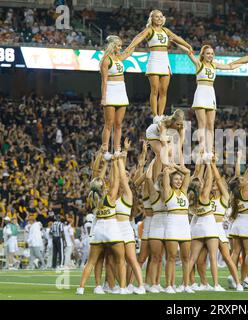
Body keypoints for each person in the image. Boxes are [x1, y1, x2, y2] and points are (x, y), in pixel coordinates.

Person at [179, 44, 241, 160]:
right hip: (201, 93)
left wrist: (245, 60)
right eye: (208, 53)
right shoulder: (199, 64)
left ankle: (209, 151)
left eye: (212, 53)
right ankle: (202, 149)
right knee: (202, 124)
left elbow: (230, 66)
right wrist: (178, 42)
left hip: (210, 94)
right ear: (203, 54)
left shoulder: (214, 65)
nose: (210, 55)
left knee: (211, 125)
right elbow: (189, 52)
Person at [76, 157, 128, 295]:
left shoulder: (92, 197)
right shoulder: (110, 196)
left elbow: (97, 181)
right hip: (111, 228)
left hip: (98, 229)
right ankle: (122, 289)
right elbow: (116, 179)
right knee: (120, 260)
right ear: (103, 186)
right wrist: (116, 162)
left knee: (91, 262)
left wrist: (105, 163)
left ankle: (81, 288)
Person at [128, 9, 193, 118]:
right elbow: (138, 37)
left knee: (163, 90)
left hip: (165, 60)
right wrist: (130, 47)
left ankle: (161, 115)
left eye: (160, 16)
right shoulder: (149, 30)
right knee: (154, 89)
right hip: (154, 59)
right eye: (156, 16)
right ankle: (155, 116)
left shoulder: (166, 30)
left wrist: (188, 45)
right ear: (151, 18)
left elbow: (176, 38)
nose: (159, 18)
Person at [187, 158, 225, 291]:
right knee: (213, 257)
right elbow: (210, 178)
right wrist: (208, 163)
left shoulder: (191, 198)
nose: (203, 183)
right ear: (199, 187)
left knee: (192, 258)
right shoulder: (204, 196)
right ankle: (216, 285)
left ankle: (185, 285)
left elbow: (200, 179)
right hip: (209, 226)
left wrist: (202, 164)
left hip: (197, 227)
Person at [99, 35, 137, 159]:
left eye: (121, 45)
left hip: (121, 89)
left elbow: (130, 51)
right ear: (113, 45)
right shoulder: (106, 60)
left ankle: (117, 149)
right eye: (119, 45)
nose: (121, 48)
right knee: (109, 123)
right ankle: (105, 150)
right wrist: (103, 97)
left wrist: (139, 39)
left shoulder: (119, 57)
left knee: (119, 123)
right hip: (110, 89)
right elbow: (104, 81)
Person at [115, 148, 146, 294]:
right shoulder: (113, 195)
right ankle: (123, 286)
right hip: (114, 230)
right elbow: (115, 177)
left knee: (132, 259)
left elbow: (122, 175)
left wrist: (122, 155)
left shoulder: (128, 193)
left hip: (126, 229)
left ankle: (140, 285)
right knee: (118, 260)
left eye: (126, 177)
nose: (123, 179)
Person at [162, 164, 193, 293]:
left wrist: (176, 166)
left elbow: (188, 173)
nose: (179, 181)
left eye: (180, 179)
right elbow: (165, 176)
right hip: (172, 224)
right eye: (176, 179)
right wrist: (168, 171)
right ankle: (169, 285)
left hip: (184, 225)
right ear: (171, 181)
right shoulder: (168, 191)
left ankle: (186, 285)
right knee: (172, 257)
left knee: (186, 257)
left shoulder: (184, 191)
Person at [228, 157, 248, 289]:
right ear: (240, 184)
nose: (243, 179)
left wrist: (239, 159)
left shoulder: (234, 193)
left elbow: (238, 177)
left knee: (235, 252)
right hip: (246, 223)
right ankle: (247, 278)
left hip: (237, 223)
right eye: (241, 180)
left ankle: (232, 277)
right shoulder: (245, 191)